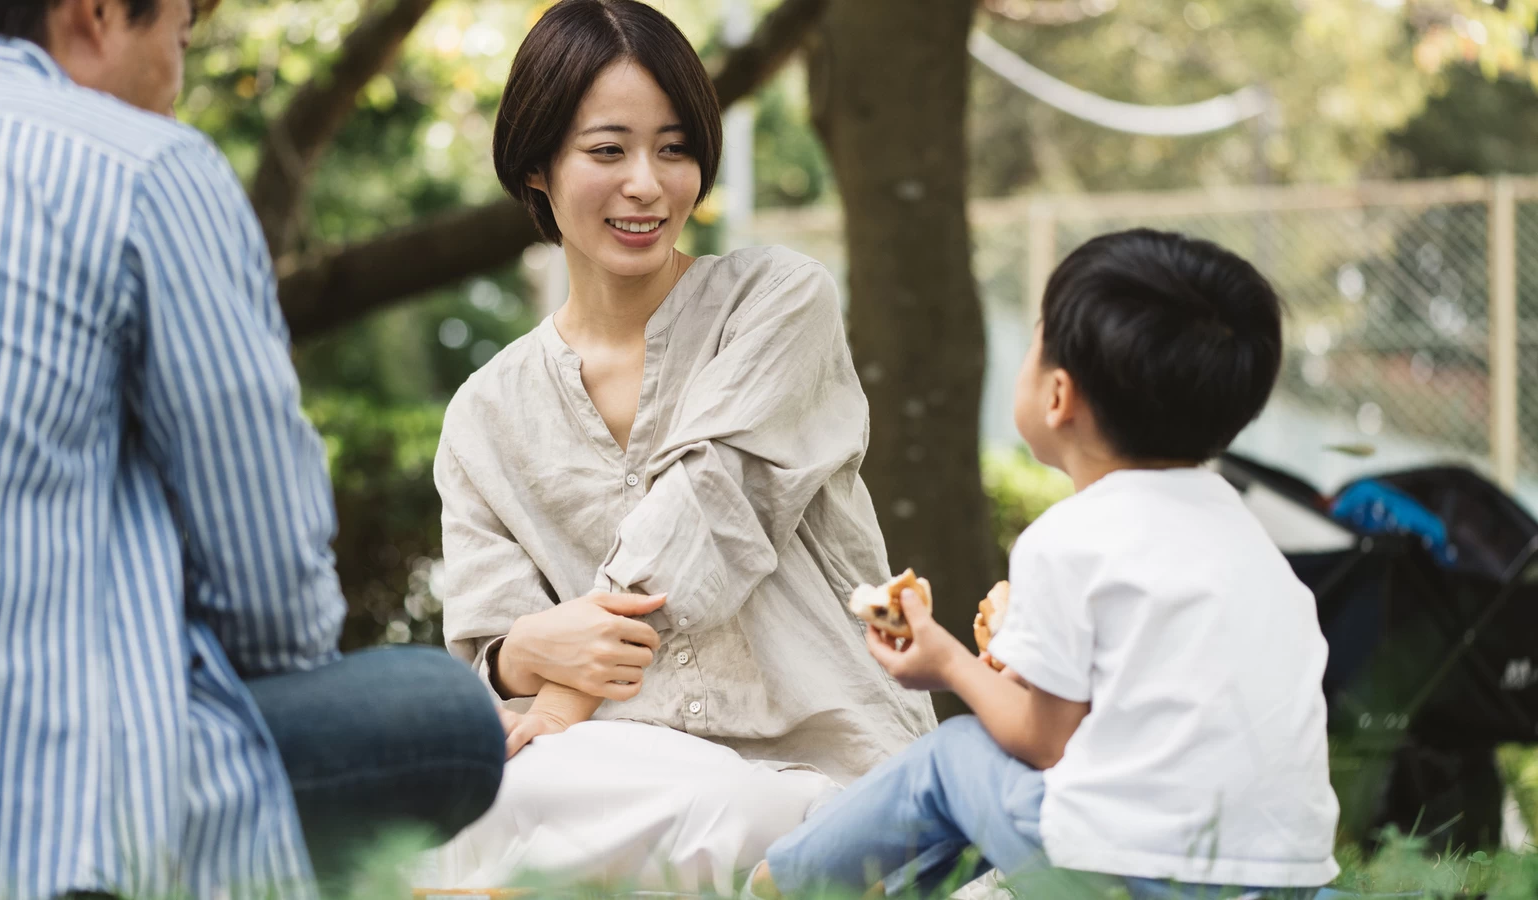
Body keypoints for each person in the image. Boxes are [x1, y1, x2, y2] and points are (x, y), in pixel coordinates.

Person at [0, 2, 503, 897]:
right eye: (180, 41)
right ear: (93, 16)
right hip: (38, 822)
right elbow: (273, 603)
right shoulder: (139, 166)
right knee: (441, 715)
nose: (176, 82)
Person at [422, 0, 935, 893]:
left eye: (674, 148)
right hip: (613, 777)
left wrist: (565, 683)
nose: (648, 186)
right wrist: (519, 654)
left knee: (716, 814)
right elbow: (488, 662)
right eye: (608, 150)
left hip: (823, 766)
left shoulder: (778, 300)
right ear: (537, 164)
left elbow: (714, 507)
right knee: (469, 802)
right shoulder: (484, 414)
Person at [752, 229, 1342, 900]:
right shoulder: (1252, 544)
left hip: (1128, 873)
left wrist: (946, 661)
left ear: (1058, 395)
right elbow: (1141, 717)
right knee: (1003, 799)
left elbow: (1043, 743)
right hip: (1284, 882)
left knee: (953, 761)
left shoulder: (1070, 538)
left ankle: (778, 883)